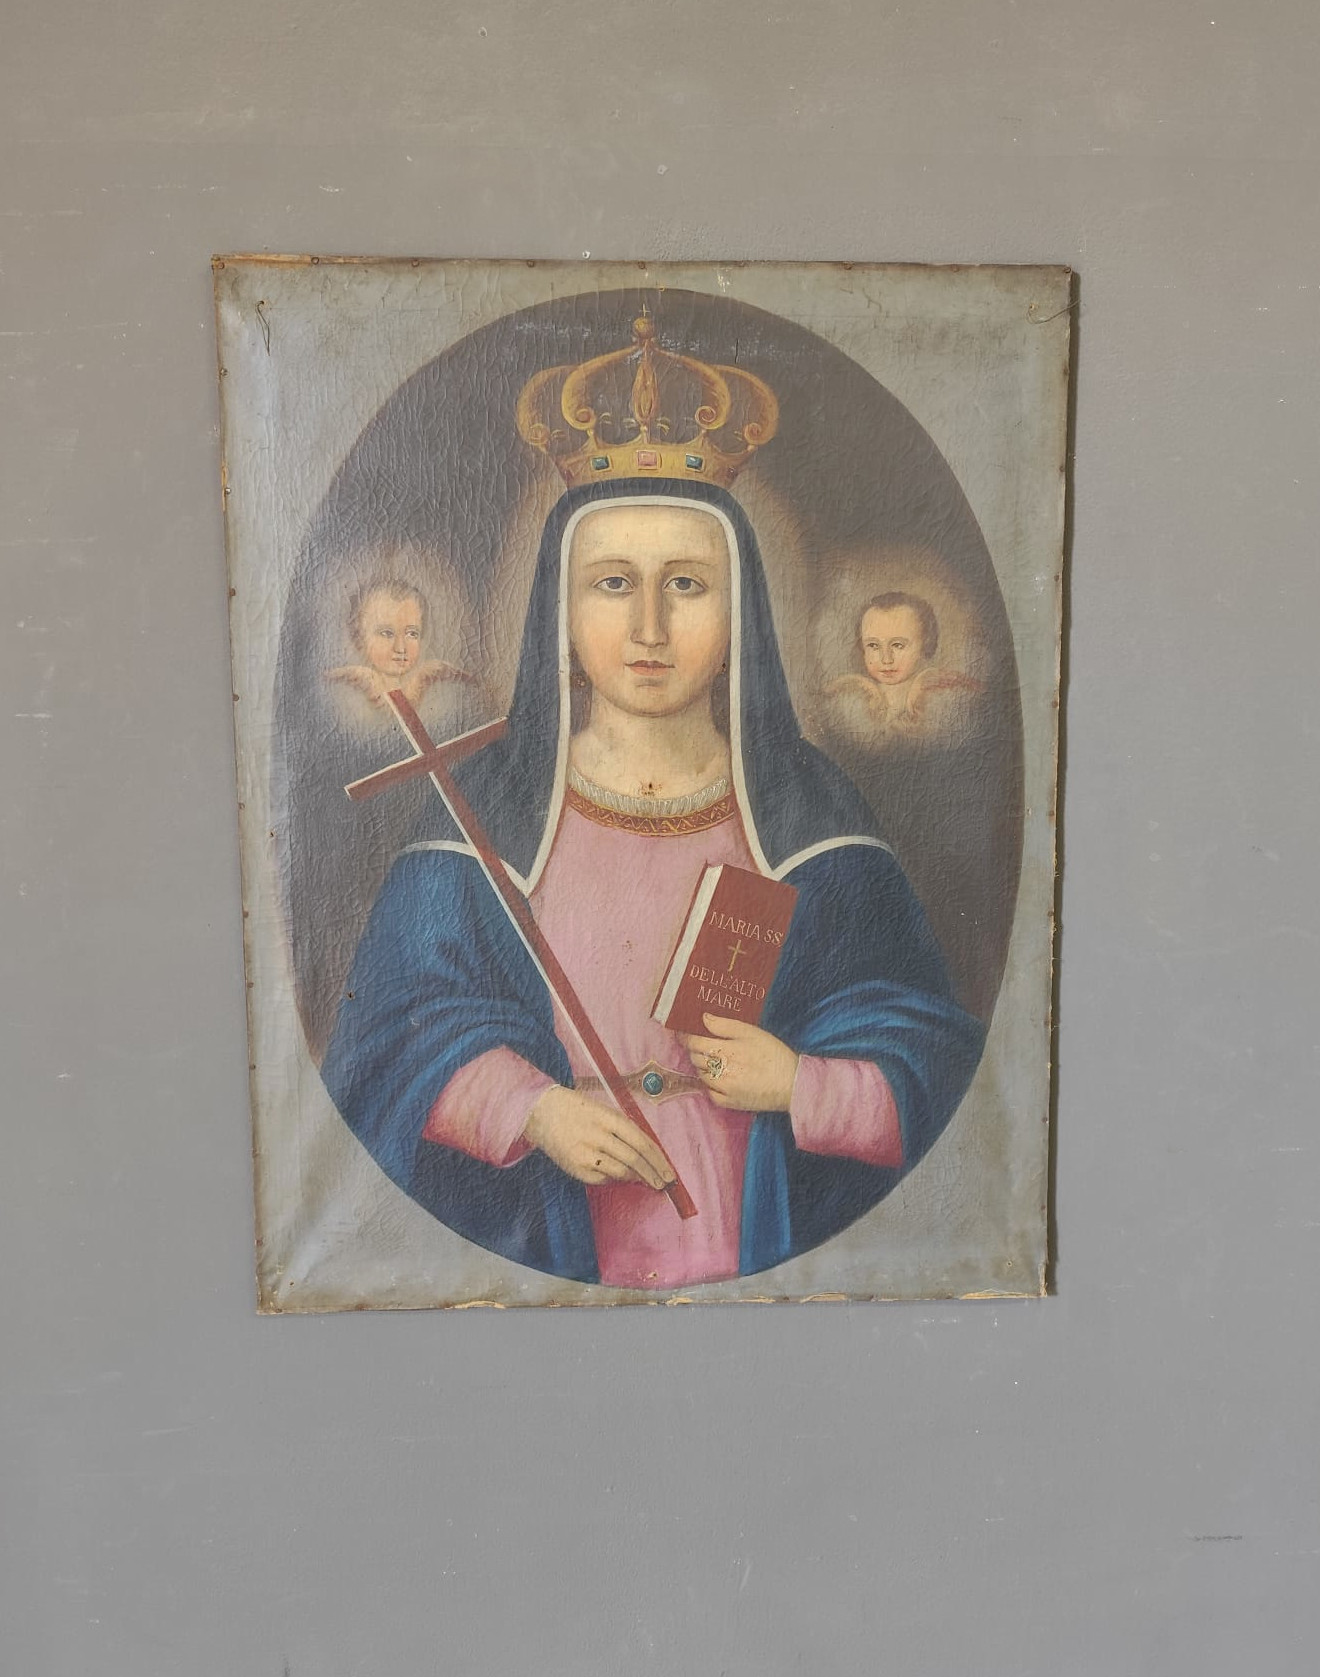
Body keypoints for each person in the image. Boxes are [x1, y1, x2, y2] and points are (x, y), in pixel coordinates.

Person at [321, 483, 985, 1288]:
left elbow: (936, 1060)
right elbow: (387, 1040)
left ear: (739, 613)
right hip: (554, 1234)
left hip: (757, 1234)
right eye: (612, 583)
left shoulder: (813, 816)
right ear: (561, 612)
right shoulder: (477, 813)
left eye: (686, 584)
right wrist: (529, 1107)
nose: (649, 628)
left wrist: (802, 1084)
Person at [821, 591, 983, 744]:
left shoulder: (942, 697)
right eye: (873, 645)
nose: (886, 659)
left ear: (926, 644)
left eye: (898, 645)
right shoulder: (849, 698)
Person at [324, 578, 478, 711]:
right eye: (386, 633)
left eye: (412, 634)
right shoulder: (344, 694)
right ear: (359, 639)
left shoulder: (432, 687)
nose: (401, 648)